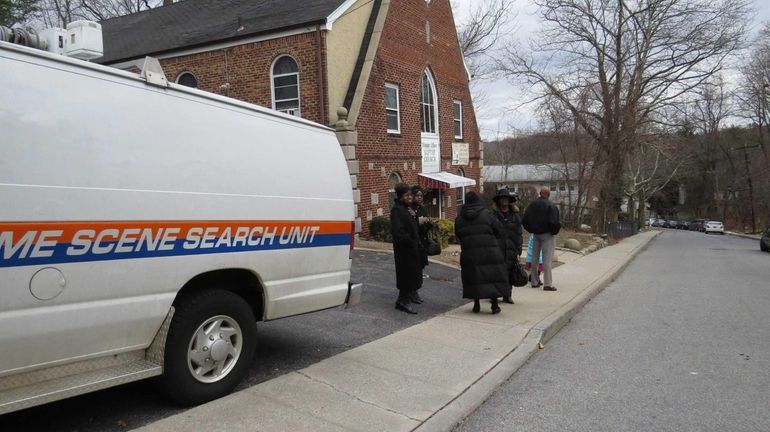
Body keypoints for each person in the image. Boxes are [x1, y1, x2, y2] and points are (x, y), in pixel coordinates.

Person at [454, 191, 509, 314]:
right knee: (491, 276)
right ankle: (494, 305)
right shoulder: (487, 214)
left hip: (470, 253)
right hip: (489, 251)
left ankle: (476, 304)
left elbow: (458, 235)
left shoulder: (460, 218)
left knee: (474, 276)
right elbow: (499, 230)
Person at [390, 183, 422, 313]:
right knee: (406, 275)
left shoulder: (407, 209)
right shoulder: (397, 210)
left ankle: (404, 299)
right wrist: (410, 241)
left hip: (412, 248)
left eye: (411, 195)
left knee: (412, 275)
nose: (410, 197)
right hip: (404, 250)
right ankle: (403, 301)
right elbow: (398, 232)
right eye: (407, 195)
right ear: (401, 196)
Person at [522, 186, 561, 291]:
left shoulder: (532, 205)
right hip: (547, 235)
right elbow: (554, 222)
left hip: (535, 234)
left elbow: (525, 219)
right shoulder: (551, 206)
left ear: (540, 193)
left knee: (534, 259)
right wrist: (554, 231)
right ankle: (547, 284)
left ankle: (534, 281)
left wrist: (531, 230)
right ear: (548, 195)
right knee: (547, 260)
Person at [492, 188, 523, 304]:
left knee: (510, 271)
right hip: (497, 247)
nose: (504, 201)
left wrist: (519, 247)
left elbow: (519, 233)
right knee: (496, 272)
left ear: (509, 200)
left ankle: (507, 295)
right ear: (498, 201)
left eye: (506, 198)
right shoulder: (493, 215)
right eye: (502, 198)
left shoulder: (515, 216)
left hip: (511, 247)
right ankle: (494, 295)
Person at [411, 186, 432, 304]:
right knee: (415, 270)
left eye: (421, 196)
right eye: (417, 196)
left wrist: (428, 222)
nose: (419, 198)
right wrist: (419, 221)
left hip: (423, 243)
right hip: (415, 243)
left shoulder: (422, 208)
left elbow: (426, 223)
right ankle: (413, 292)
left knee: (420, 268)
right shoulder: (410, 209)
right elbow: (412, 225)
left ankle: (416, 291)